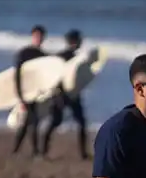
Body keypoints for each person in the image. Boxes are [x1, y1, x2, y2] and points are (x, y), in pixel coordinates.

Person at [42, 29, 89, 159]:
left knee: (57, 122)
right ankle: (83, 153)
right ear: (76, 41)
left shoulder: (63, 56)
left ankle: (43, 151)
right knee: (72, 122)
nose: (82, 42)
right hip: (63, 95)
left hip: (65, 94)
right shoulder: (73, 58)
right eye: (80, 39)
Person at [12, 25, 47, 156]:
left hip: (37, 92)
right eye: (36, 36)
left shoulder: (44, 55)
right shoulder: (24, 53)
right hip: (26, 92)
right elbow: (17, 75)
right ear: (32, 36)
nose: (39, 39)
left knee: (29, 122)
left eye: (41, 36)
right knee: (31, 121)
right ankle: (33, 151)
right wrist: (20, 96)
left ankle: (18, 150)